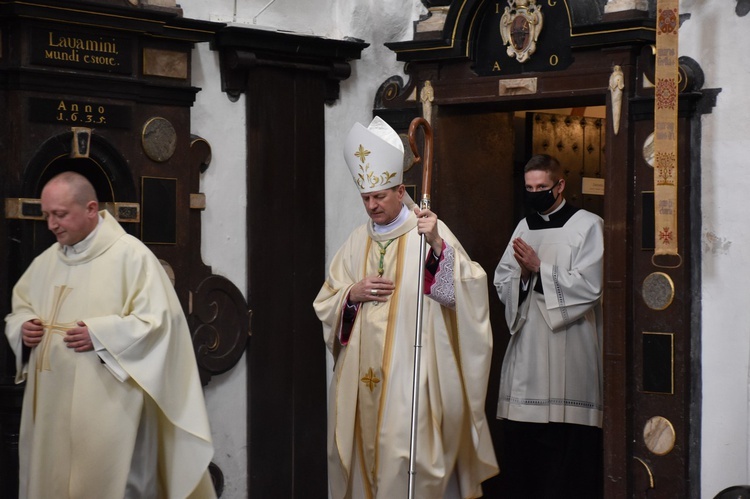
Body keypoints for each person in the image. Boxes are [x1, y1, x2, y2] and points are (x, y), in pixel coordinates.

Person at [313, 116, 498, 498]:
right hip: (359, 374)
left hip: (410, 373)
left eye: (379, 196)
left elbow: (466, 290)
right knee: (353, 454)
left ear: (401, 190)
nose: (371, 205)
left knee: (403, 456)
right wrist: (352, 293)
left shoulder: (427, 229)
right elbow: (327, 299)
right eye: (366, 198)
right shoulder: (354, 241)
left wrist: (437, 249)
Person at [4, 171, 216, 499]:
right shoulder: (47, 261)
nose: (51, 225)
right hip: (51, 403)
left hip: (111, 404)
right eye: (47, 215)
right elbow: (20, 308)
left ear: (91, 209)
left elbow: (160, 322)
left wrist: (103, 335)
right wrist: (23, 326)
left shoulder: (131, 256)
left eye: (60, 215)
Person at [493, 154, 604, 498]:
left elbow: (591, 286)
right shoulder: (524, 227)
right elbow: (503, 280)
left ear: (560, 186)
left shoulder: (588, 225)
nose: (535, 193)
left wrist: (540, 268)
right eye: (529, 188)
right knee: (526, 455)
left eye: (542, 187)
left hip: (570, 348)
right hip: (528, 349)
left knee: (566, 457)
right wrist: (523, 276)